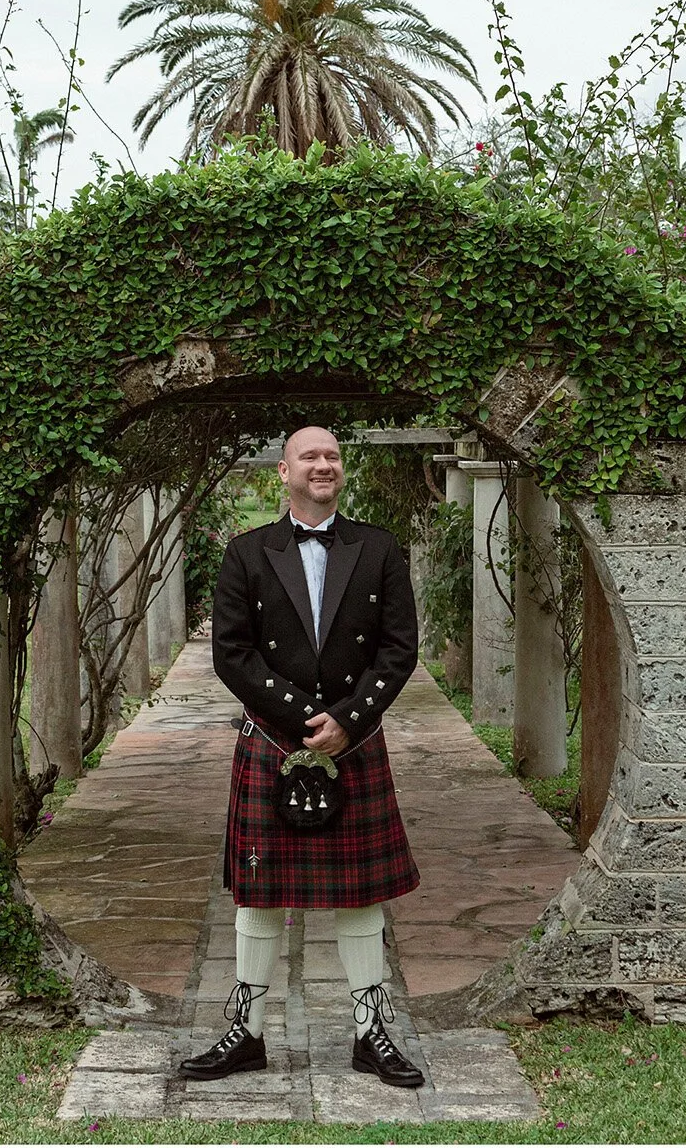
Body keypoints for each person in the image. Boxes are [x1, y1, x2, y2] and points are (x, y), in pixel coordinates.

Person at [178, 425, 426, 1089]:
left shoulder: (377, 548)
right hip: (272, 741)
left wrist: (347, 720)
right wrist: (299, 716)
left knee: (361, 895)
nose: (324, 465)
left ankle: (371, 1032)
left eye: (333, 456)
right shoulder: (246, 553)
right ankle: (247, 1032)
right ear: (284, 470)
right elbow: (231, 651)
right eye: (310, 456)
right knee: (257, 895)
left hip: (355, 743)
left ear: (341, 470)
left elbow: (399, 649)